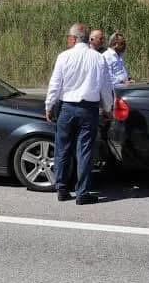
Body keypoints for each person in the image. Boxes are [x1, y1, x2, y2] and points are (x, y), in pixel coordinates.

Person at [45, 24, 113, 205]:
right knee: (84, 151)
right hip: (88, 109)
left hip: (67, 107)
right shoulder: (98, 59)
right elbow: (106, 87)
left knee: (63, 149)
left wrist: (49, 105)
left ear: (74, 38)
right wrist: (108, 108)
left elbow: (55, 84)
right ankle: (82, 192)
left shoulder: (64, 57)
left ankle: (61, 188)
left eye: (69, 36)